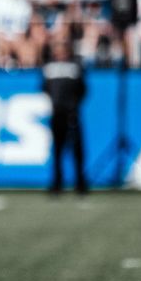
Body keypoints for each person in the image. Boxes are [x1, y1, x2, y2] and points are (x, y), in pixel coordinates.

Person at [42, 41, 87, 195]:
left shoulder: (75, 66)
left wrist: (73, 105)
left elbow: (83, 89)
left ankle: (80, 183)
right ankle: (57, 183)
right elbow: (45, 88)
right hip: (57, 113)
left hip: (72, 113)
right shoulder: (49, 67)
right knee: (57, 150)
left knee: (77, 150)